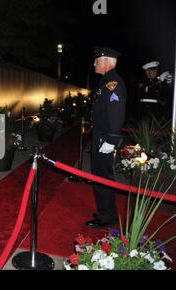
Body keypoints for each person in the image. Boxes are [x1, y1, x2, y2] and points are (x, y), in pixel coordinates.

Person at [86, 46, 126, 229]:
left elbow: (115, 113)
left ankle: (108, 216)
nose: (94, 63)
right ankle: (105, 211)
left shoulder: (113, 83)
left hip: (105, 137)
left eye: (97, 60)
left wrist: (112, 140)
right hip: (101, 135)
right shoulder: (106, 81)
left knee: (103, 175)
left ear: (107, 61)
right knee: (99, 174)